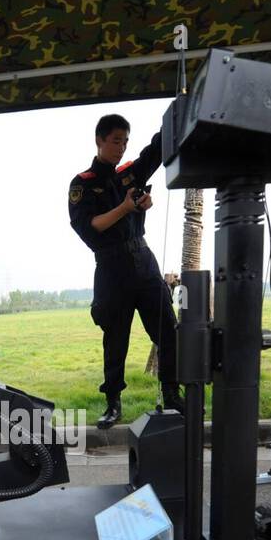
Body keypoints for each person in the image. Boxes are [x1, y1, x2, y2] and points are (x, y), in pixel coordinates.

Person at [69, 113, 181, 428]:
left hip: (143, 261)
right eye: (116, 141)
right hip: (111, 266)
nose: (121, 147)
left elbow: (154, 152)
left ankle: (172, 394)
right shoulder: (83, 184)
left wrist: (175, 116)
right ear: (99, 140)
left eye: (125, 141)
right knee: (115, 339)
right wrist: (125, 208)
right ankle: (113, 403)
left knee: (167, 330)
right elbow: (90, 229)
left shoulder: (128, 174)